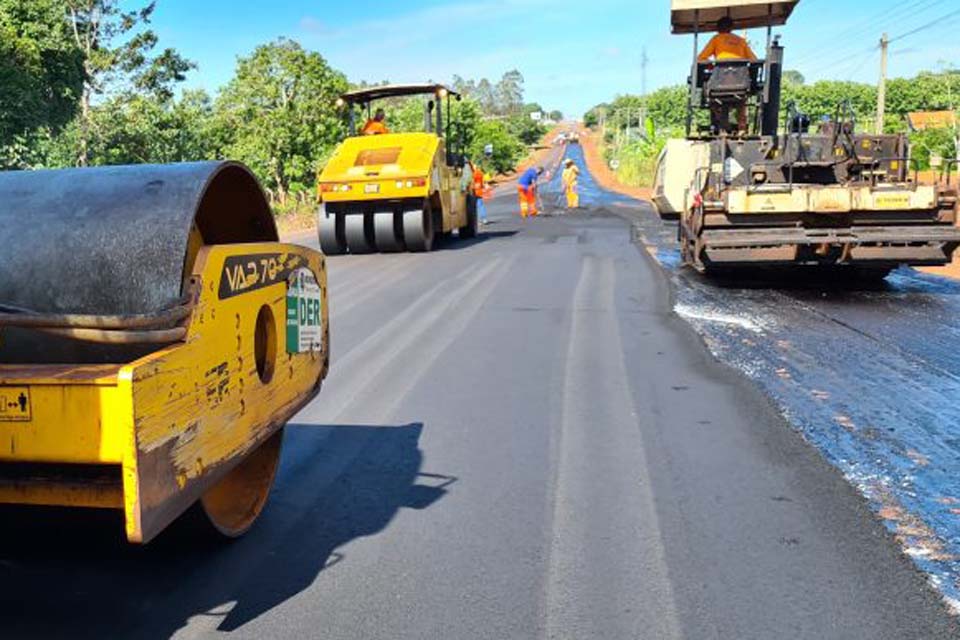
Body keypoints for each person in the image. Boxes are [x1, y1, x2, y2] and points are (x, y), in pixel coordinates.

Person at [698, 16, 757, 133]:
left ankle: (722, 122)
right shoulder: (741, 41)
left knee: (711, 98)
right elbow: (754, 60)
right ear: (731, 28)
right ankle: (742, 127)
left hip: (719, 84)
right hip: (740, 84)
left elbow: (701, 58)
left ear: (718, 28)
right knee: (742, 99)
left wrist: (712, 66)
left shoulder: (716, 39)